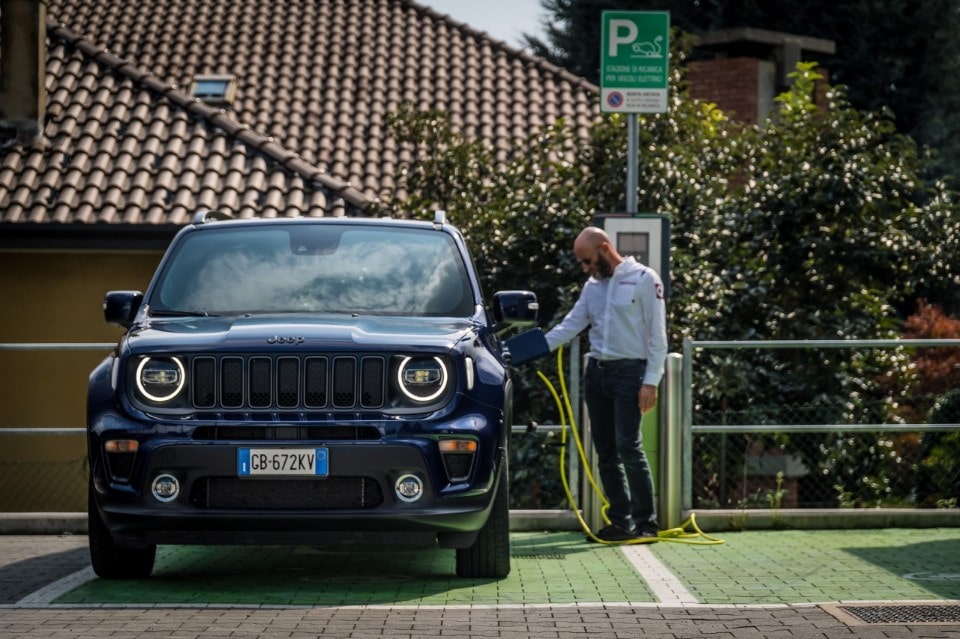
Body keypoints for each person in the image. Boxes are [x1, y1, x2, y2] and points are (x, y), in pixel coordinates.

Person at [544, 226, 667, 542]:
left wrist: (650, 382)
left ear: (603, 248)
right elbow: (571, 324)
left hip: (630, 374)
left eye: (587, 261)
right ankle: (620, 522)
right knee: (606, 451)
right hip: (597, 375)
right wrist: (533, 348)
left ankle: (647, 523)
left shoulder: (644, 279)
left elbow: (658, 337)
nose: (585, 268)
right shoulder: (593, 287)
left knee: (629, 446)